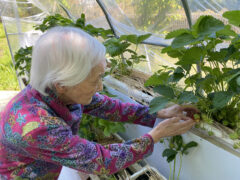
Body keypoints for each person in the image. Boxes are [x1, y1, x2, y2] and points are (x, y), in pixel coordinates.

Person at [0, 26, 197, 180]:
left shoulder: (56, 91)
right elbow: (102, 161)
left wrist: (156, 113)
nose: (100, 87)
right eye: (96, 79)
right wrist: (156, 135)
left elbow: (106, 106)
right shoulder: (37, 126)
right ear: (62, 83)